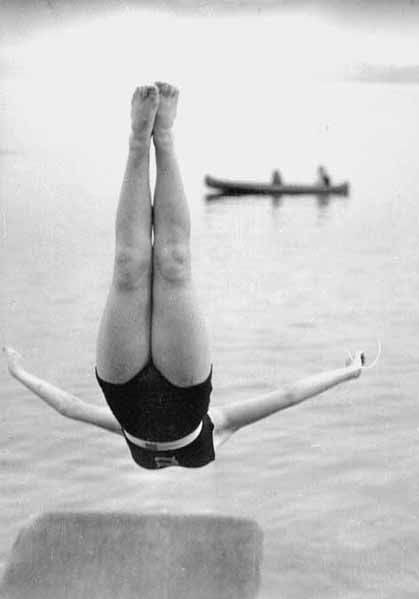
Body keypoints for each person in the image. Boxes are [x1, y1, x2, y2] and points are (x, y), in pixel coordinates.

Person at [3, 82, 366, 471]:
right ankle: (166, 134)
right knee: (174, 265)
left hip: (122, 391)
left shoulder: (122, 431)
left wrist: (20, 373)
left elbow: (68, 408)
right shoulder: (219, 430)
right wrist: (346, 373)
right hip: (186, 389)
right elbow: (288, 395)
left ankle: (139, 139)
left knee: (129, 266)